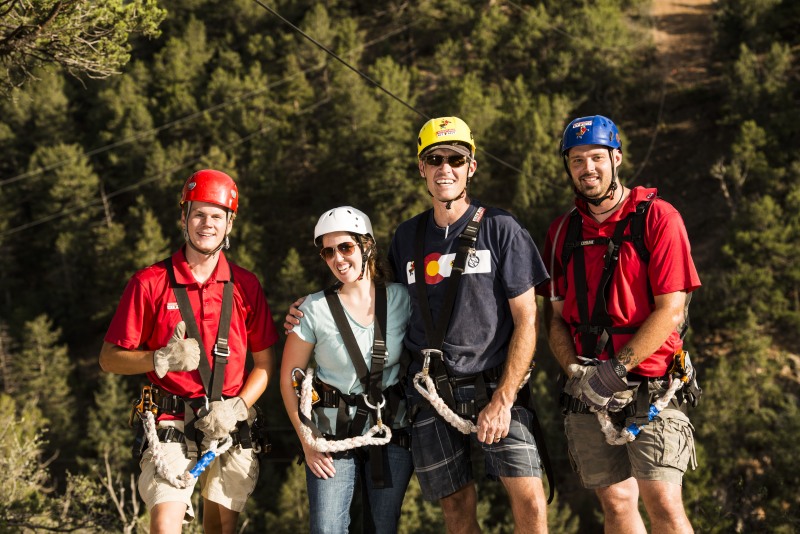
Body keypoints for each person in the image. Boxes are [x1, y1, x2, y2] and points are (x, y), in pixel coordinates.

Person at [539, 115, 700, 533]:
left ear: (617, 158)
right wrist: (575, 370)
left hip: (651, 384)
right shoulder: (561, 233)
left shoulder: (658, 218)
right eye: (576, 160)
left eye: (596, 157)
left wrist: (616, 370)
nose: (586, 168)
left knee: (662, 500)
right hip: (586, 388)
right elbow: (554, 319)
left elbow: (671, 310)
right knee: (616, 502)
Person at [99, 169, 278, 534]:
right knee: (166, 524)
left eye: (216, 216)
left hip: (227, 420)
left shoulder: (245, 285)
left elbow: (264, 364)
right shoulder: (149, 283)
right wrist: (158, 358)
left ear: (230, 224)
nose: (206, 224)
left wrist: (239, 407)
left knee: (221, 528)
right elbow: (109, 358)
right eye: (198, 214)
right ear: (184, 217)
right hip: (170, 422)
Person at [280, 206, 413, 534]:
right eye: (328, 251)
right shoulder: (312, 310)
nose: (337, 259)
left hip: (389, 430)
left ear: (367, 245)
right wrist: (307, 440)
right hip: (329, 433)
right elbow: (289, 378)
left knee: (383, 526)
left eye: (345, 247)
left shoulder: (401, 299)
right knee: (327, 528)